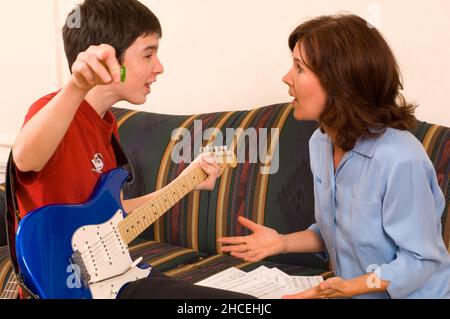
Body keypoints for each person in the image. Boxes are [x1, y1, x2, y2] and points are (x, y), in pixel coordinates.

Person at [11, 0, 253, 299]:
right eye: (148, 54)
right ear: (108, 59)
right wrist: (77, 84)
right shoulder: (52, 110)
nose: (159, 67)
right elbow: (24, 157)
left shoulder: (108, 126)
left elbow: (115, 215)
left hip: (114, 278)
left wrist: (185, 183)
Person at [218, 14, 450, 299]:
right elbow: (335, 230)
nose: (286, 77)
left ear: (340, 82)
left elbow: (420, 260)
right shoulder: (320, 142)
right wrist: (281, 243)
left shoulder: (401, 158)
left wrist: (354, 286)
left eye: (299, 68)